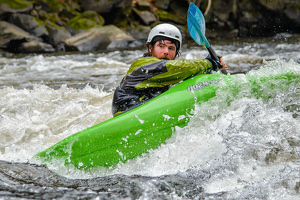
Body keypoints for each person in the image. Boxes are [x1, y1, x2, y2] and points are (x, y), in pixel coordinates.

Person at [112, 23, 227, 117]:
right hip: (127, 113)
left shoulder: (171, 73)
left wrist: (211, 69)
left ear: (176, 54)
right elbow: (173, 68)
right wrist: (209, 63)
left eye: (171, 48)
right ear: (150, 48)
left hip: (143, 113)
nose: (166, 51)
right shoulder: (143, 65)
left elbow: (185, 72)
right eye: (161, 46)